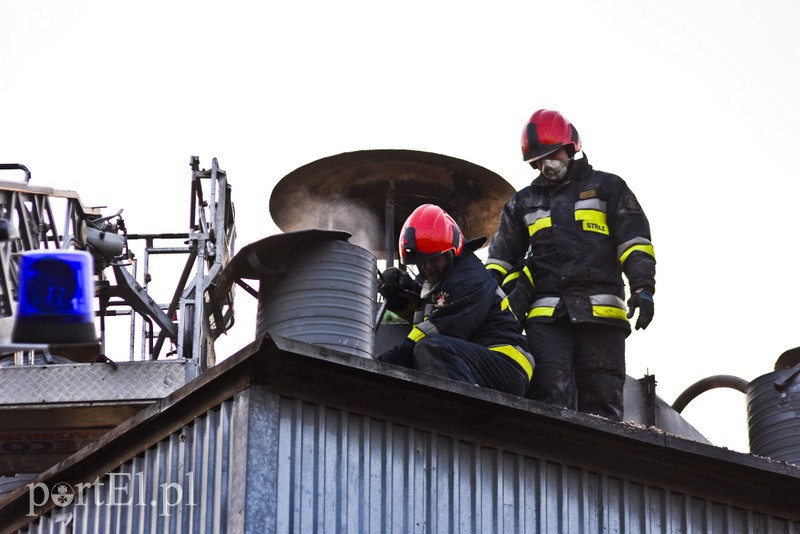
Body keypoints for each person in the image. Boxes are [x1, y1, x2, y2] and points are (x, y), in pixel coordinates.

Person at [485, 109, 656, 421]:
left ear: (571, 145)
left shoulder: (609, 188)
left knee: (603, 404)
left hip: (601, 318)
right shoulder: (523, 203)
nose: (546, 164)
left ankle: (598, 467)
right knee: (549, 398)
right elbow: (498, 262)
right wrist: (486, 303)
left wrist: (643, 288)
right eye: (538, 160)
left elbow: (635, 243)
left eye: (551, 154)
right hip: (546, 319)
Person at [376, 203, 534, 397]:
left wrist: (388, 361)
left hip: (507, 363)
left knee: (430, 348)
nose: (428, 267)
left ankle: (461, 413)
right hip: (477, 358)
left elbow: (440, 326)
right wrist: (400, 299)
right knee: (427, 347)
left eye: (433, 259)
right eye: (422, 261)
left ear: (452, 250)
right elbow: (427, 314)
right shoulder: (444, 282)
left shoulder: (471, 279)